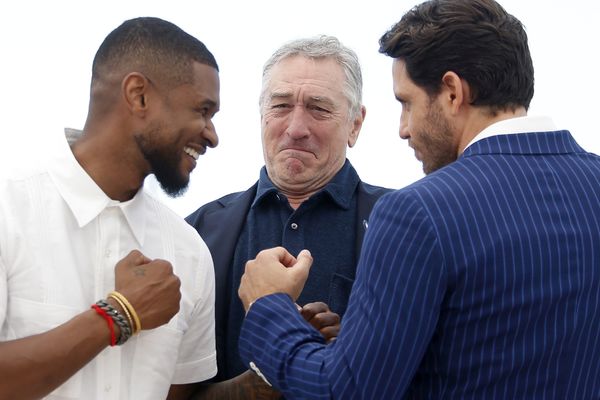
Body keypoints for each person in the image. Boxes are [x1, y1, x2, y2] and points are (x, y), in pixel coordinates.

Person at [235, 0, 600, 398]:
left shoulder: (417, 212)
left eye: (406, 102)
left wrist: (269, 305)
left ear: (452, 93)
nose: (403, 129)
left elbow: (342, 391)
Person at [0, 17, 221, 399]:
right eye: (202, 110)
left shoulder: (190, 252)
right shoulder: (8, 206)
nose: (212, 136)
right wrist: (118, 315)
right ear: (138, 96)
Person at [185, 35, 391, 396]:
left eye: (319, 108)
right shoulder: (196, 233)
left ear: (355, 125)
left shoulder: (402, 225)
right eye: (280, 106)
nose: (296, 128)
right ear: (261, 114)